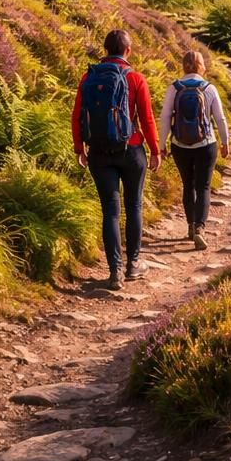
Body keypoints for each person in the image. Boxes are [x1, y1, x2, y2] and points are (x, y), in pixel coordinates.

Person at [72, 29, 159, 290]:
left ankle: (115, 272)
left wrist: (79, 149)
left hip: (98, 152)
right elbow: (147, 118)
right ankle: (133, 265)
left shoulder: (88, 77)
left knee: (110, 211)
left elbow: (77, 115)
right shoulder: (135, 78)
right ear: (128, 51)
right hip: (131, 150)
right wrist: (155, 150)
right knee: (133, 206)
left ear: (105, 49)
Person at [160, 49, 229, 251]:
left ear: (184, 65)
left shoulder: (174, 88)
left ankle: (190, 226)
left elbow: (165, 117)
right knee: (204, 187)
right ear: (202, 66)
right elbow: (220, 118)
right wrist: (225, 142)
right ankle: (200, 228)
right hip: (206, 144)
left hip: (180, 145)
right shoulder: (209, 88)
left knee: (187, 185)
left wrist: (161, 144)